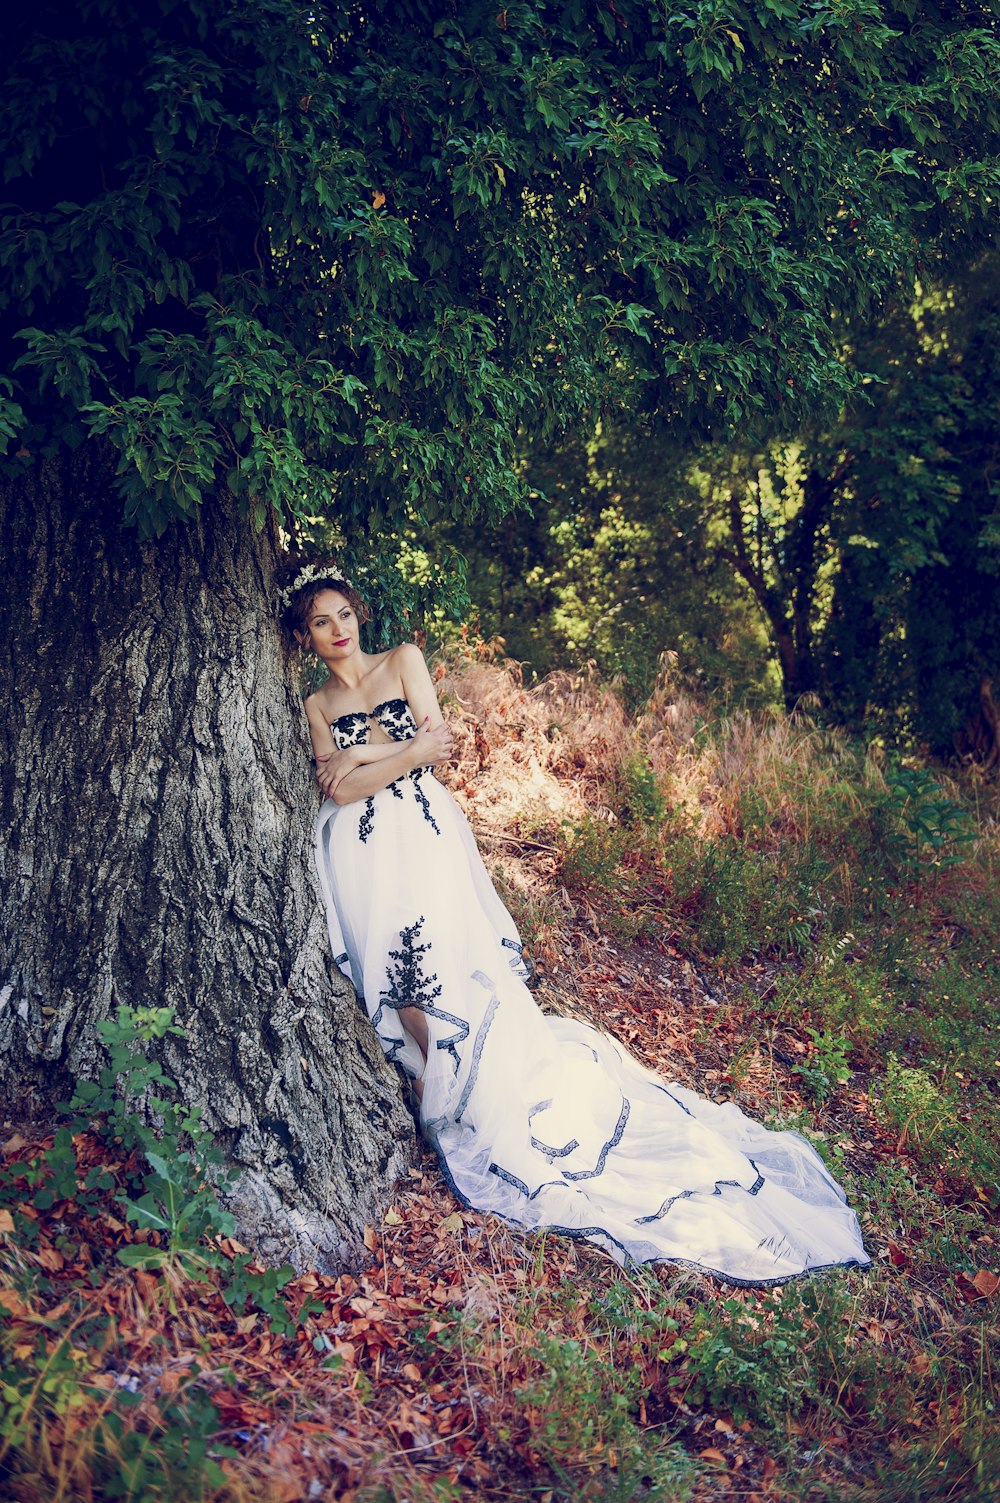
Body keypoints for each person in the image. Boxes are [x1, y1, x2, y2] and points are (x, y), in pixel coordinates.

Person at [280, 561, 871, 1286]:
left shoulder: (404, 660)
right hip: (362, 852)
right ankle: (441, 1089)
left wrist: (370, 755)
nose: (337, 631)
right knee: (394, 977)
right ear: (306, 637)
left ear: (358, 615)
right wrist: (386, 760)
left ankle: (469, 1100)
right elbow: (334, 787)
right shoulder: (314, 703)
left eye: (343, 614)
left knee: (445, 960)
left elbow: (434, 750)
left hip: (427, 837)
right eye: (320, 622)